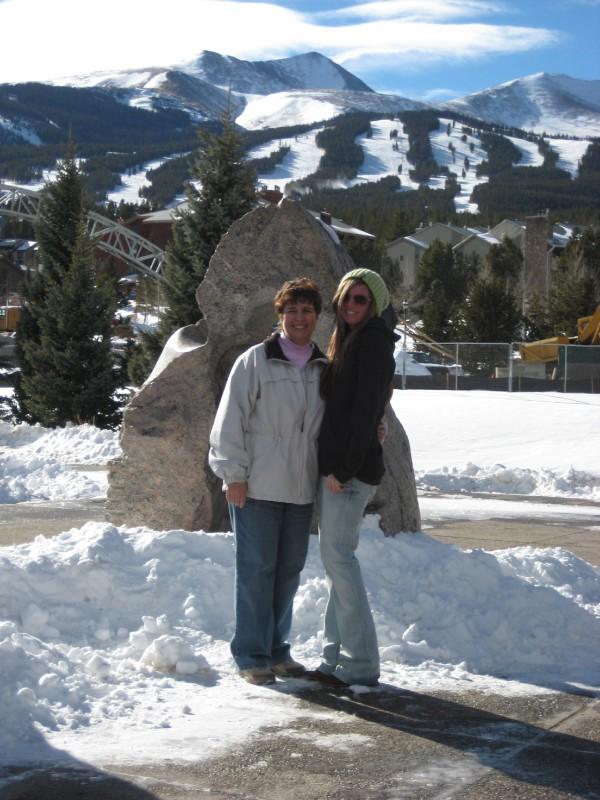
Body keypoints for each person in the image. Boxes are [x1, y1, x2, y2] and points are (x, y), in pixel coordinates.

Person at [208, 278, 327, 686]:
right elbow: (230, 421)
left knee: (288, 571)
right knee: (257, 570)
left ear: (316, 317)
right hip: (256, 486)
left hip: (299, 489)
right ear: (280, 315)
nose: (299, 318)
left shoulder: (321, 366)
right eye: (291, 310)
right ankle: (250, 654)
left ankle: (277, 650)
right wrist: (233, 475)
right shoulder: (255, 361)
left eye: (306, 310)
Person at [310, 268, 396, 688]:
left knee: (340, 561)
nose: (351, 306)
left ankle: (360, 663)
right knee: (337, 564)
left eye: (360, 299)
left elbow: (364, 413)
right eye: (346, 298)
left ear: (374, 304)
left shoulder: (374, 345)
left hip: (350, 474)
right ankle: (334, 658)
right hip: (341, 470)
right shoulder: (351, 341)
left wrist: (341, 470)